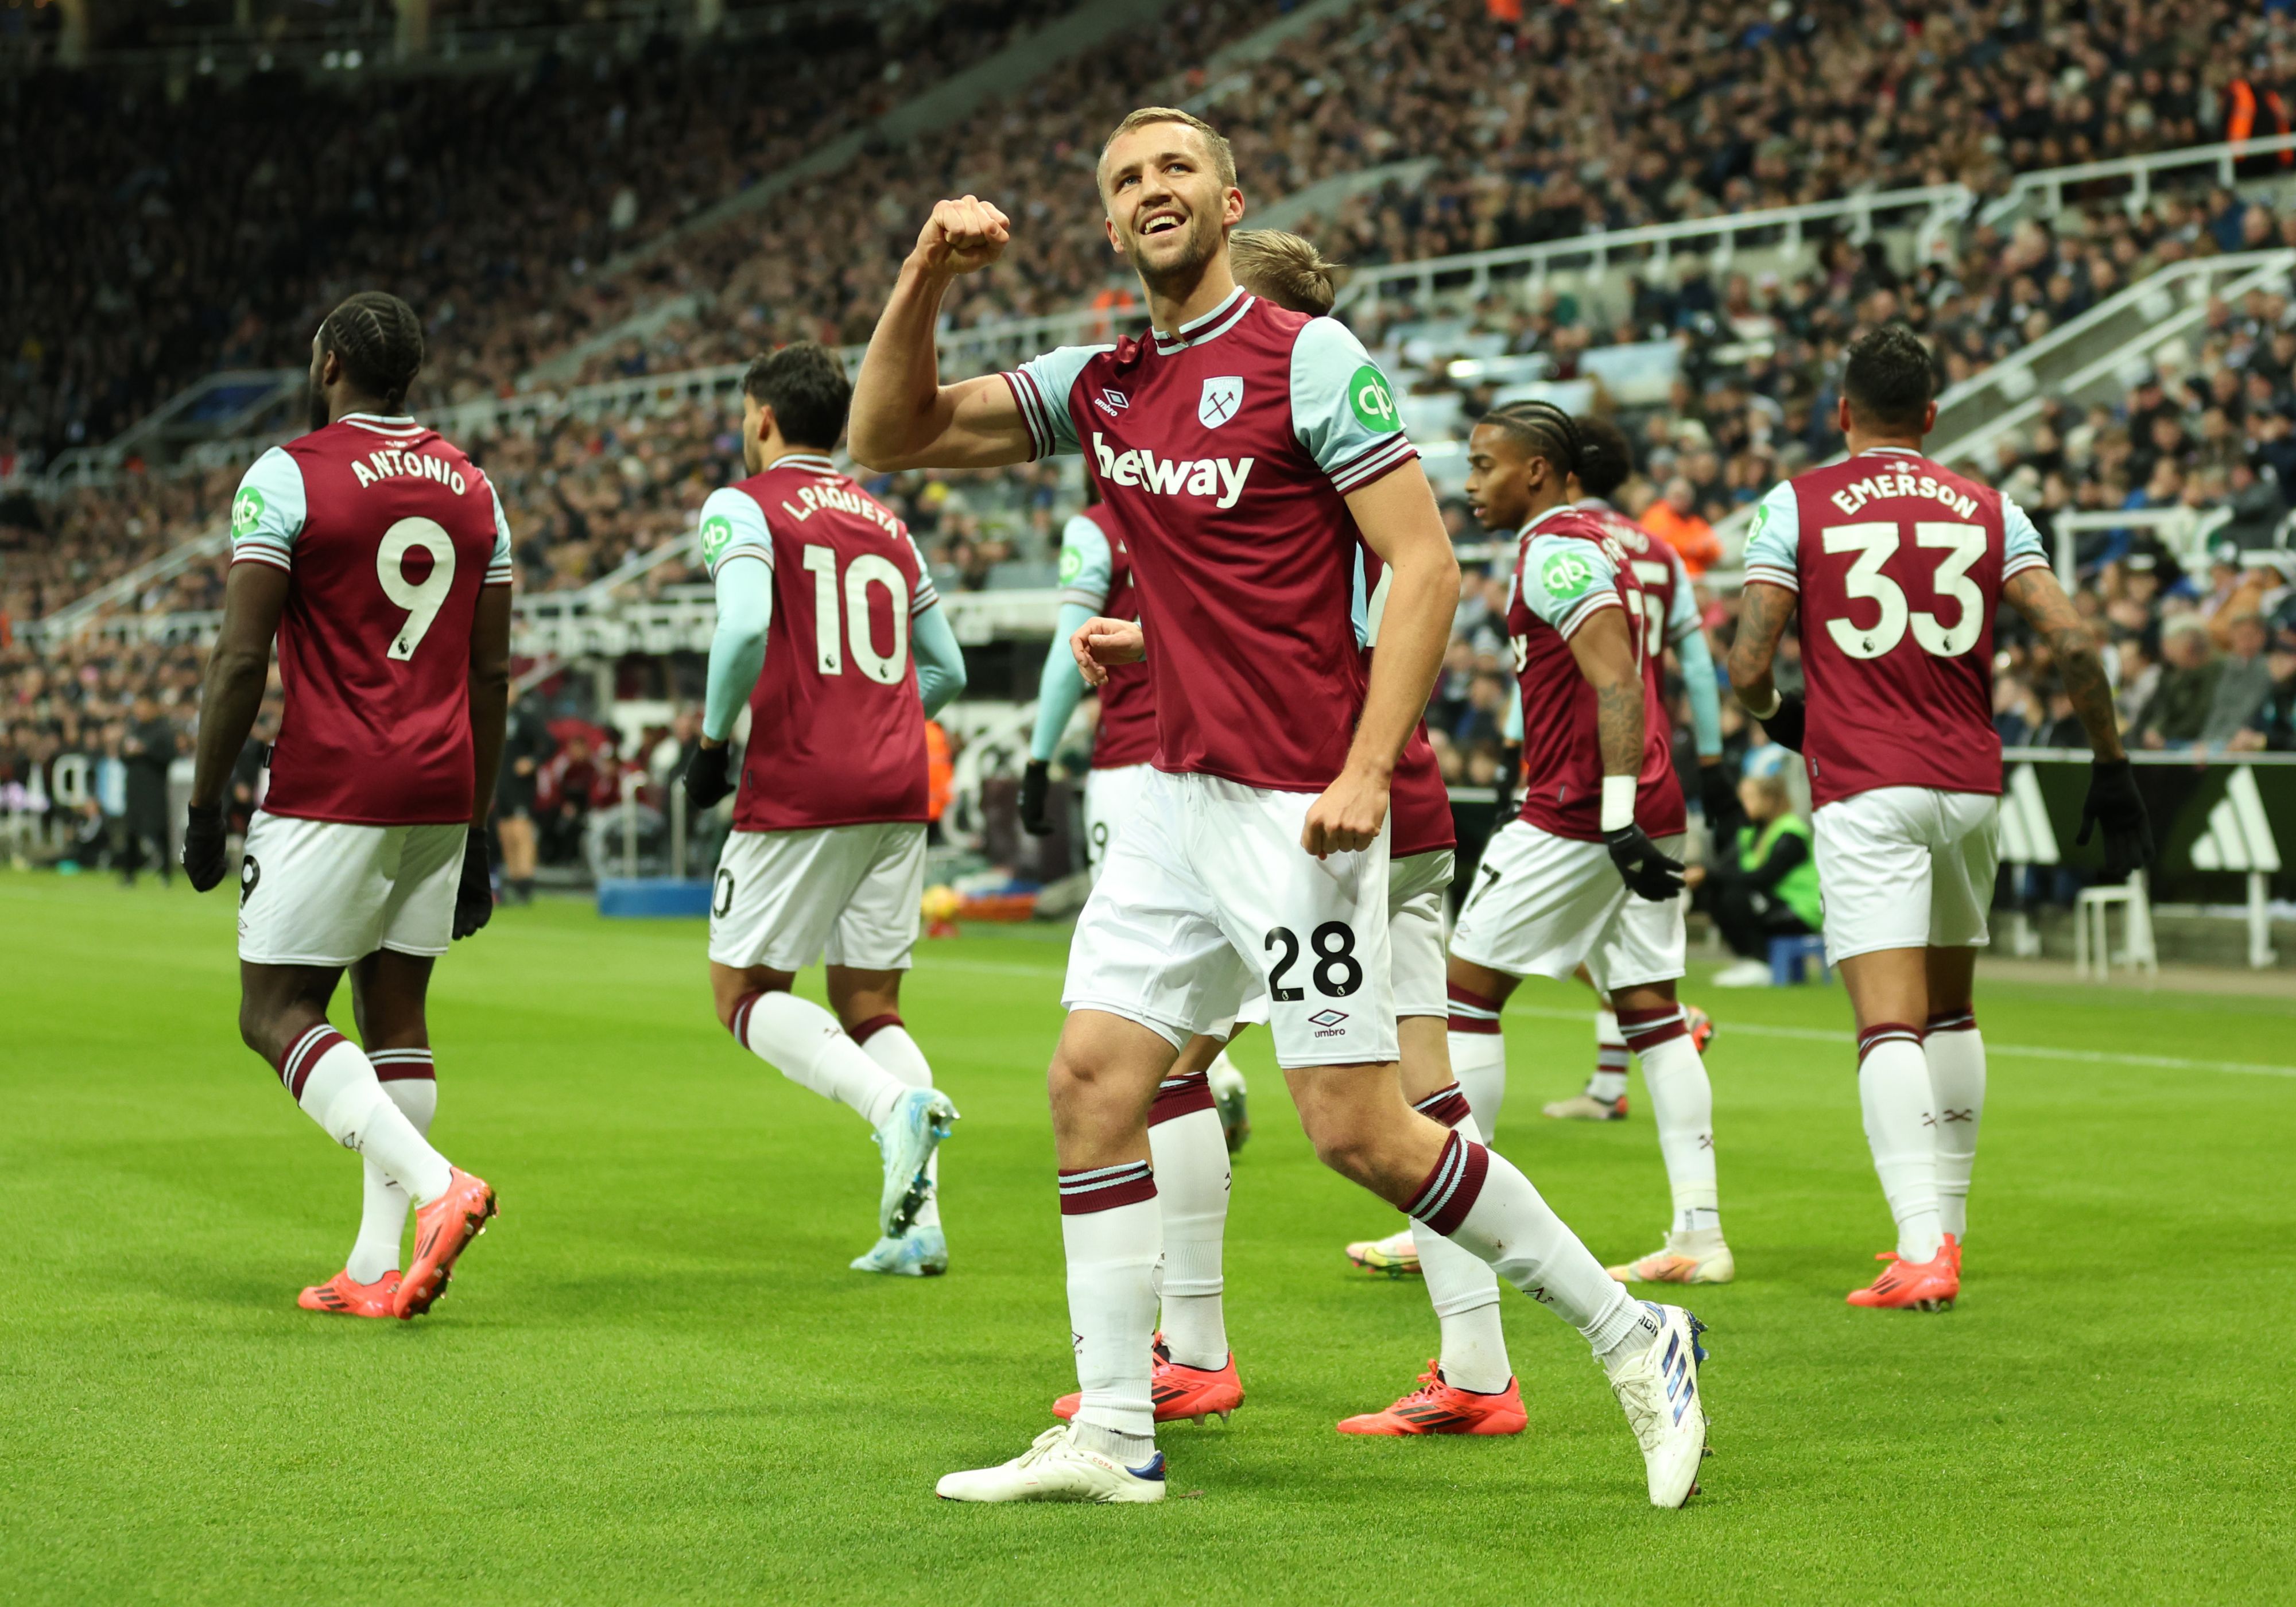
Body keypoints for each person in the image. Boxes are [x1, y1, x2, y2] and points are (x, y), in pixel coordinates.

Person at [850, 114, 1709, 1507]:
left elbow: (1421, 568)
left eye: (1173, 169)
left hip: (1294, 806)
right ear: (1111, 221)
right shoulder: (1104, 380)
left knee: (1357, 1129)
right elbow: (889, 431)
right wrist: (926, 273)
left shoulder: (1305, 354)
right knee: (1091, 1082)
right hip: (1174, 802)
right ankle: (1115, 1427)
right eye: (1124, 179)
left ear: (1227, 200)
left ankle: (1634, 1333)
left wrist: (1368, 766)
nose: (1150, 191)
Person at [1040, 226, 1523, 1438]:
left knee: (1177, 1068)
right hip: (1384, 789)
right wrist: (1155, 642)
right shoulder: (1321, 436)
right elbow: (1321, 618)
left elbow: (1360, 608)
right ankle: (1473, 1365)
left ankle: (1193, 1345)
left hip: (1317, 794)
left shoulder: (1287, 405)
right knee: (1418, 1088)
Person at [1729, 323, 2152, 1311]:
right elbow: (2077, 640)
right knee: (1954, 1007)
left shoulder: (1797, 503)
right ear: (1930, 416)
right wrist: (2112, 764)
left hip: (1868, 785)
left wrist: (1783, 718)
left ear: (1842, 413)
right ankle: (1947, 1230)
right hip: (1968, 787)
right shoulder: (1991, 508)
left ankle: (1921, 1248)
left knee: (1889, 1023)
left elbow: (1749, 665)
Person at [179, 291, 507, 1321]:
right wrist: (482, 822)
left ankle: (437, 1184)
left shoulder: (290, 474)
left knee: (274, 1011)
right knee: (394, 1010)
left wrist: (203, 800)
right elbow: (492, 675)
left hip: (333, 782)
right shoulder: (475, 487)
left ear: (329, 364)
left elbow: (241, 657)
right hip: (442, 784)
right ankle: (375, 1267)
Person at [678, 341, 969, 1278]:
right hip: (896, 783)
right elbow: (950, 669)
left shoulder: (743, 505)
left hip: (803, 783)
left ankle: (891, 1112)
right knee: (870, 1001)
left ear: (761, 417)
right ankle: (919, 1228)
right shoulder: (886, 520)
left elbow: (742, 624)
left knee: (746, 992)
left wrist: (714, 742)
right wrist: (878, 724)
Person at [1438, 402, 1733, 1290]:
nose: (1470, 482)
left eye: (1486, 464)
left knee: (1464, 994)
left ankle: (1448, 1230)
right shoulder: (1628, 548)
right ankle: (1700, 1234)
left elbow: (1613, 680)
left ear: (1538, 470)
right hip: (1643, 791)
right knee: (1654, 1010)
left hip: (1580, 807)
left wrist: (1611, 815)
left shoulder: (1558, 550)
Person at [1543, 414, 1727, 1124]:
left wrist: (1508, 754)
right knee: (1611, 932)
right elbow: (1699, 670)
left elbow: (1546, 661)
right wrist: (1709, 759)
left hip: (1571, 762)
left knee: (1479, 967)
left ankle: (1674, 1019)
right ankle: (1608, 1084)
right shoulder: (1657, 550)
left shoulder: (1554, 542)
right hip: (1651, 759)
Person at [1689, 768, 1822, 987]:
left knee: (1736, 895)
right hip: (1769, 904)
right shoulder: (1750, 833)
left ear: (1770, 800)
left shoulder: (1791, 832)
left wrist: (1710, 874)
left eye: (1748, 798)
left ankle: (1763, 963)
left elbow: (1762, 878)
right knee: (1711, 890)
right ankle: (1747, 958)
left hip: (1799, 911)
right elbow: (1726, 868)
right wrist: (1703, 874)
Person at [117, 692, 176, 885]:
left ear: (153, 707)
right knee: (132, 831)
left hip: (154, 788)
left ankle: (166, 873)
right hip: (134, 788)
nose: (139, 711)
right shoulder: (133, 728)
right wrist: (127, 751)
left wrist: (146, 751)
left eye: (143, 707)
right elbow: (122, 755)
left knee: (159, 830)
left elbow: (170, 755)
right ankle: (129, 874)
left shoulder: (163, 730)